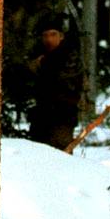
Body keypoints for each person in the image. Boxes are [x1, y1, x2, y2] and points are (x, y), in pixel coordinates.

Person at [27, 15, 83, 151]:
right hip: (41, 116)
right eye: (45, 35)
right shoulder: (38, 55)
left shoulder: (70, 56)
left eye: (53, 34)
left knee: (60, 156)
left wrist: (43, 66)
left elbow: (64, 80)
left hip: (63, 117)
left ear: (61, 36)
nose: (49, 39)